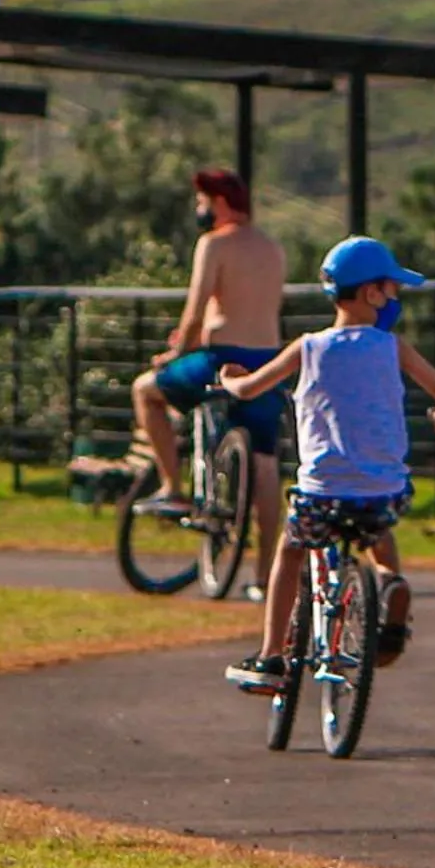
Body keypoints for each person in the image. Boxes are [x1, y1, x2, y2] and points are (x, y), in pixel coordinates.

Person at [223, 236, 435, 693]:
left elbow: (252, 388)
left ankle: (272, 655)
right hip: (384, 489)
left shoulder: (309, 348)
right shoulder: (391, 346)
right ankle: (391, 588)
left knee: (291, 550)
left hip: (321, 492)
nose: (395, 298)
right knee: (378, 531)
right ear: (372, 293)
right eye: (392, 289)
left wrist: (231, 381)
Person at [130, 168, 287, 596]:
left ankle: (172, 488)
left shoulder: (213, 244)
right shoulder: (272, 249)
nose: (199, 211)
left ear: (218, 202)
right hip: (265, 362)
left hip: (221, 359)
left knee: (146, 390)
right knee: (266, 461)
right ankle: (263, 576)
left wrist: (176, 353)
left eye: (201, 202)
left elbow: (197, 311)